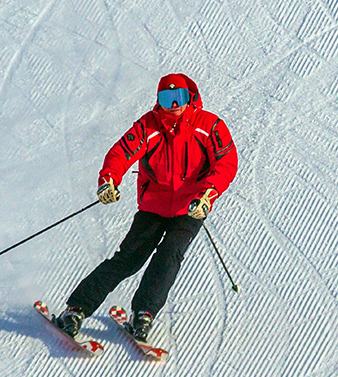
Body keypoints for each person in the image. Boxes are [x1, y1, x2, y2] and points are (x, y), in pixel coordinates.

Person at [55, 73, 238, 342]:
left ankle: (144, 313)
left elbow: (226, 163)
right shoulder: (148, 126)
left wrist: (208, 195)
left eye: (180, 97)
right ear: (158, 101)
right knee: (129, 259)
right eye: (167, 98)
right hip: (154, 205)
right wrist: (109, 180)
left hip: (191, 207)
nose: (174, 104)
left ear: (191, 98)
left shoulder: (209, 126)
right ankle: (77, 309)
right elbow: (121, 153)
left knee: (169, 257)